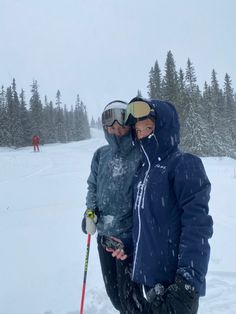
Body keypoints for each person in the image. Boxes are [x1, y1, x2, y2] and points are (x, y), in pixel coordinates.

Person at [122, 97, 213, 314]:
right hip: (149, 280)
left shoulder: (184, 164)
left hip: (175, 284)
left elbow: (197, 226)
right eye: (138, 129)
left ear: (164, 127)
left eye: (148, 127)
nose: (142, 133)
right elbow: (143, 224)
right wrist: (126, 247)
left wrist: (187, 282)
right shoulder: (142, 172)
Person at [82, 100, 143, 314]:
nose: (116, 131)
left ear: (130, 126)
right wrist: (90, 212)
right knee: (115, 295)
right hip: (105, 237)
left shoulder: (139, 154)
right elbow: (93, 186)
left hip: (128, 240)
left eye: (122, 127)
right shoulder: (100, 155)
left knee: (132, 299)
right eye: (112, 127)